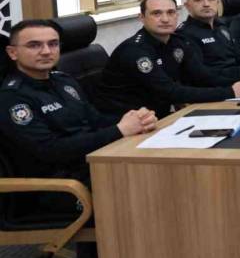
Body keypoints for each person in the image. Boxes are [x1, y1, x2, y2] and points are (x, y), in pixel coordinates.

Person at [0, 20, 158, 200]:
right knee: (149, 187)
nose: (46, 51)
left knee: (160, 170)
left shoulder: (63, 81)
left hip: (92, 164)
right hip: (59, 186)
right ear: (12, 52)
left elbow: (95, 120)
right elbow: (50, 150)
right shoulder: (12, 98)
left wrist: (137, 120)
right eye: (34, 45)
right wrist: (119, 130)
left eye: (53, 44)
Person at [96, 0, 240, 117]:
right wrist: (231, 92)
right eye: (156, 13)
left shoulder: (177, 41)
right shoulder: (135, 51)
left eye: (171, 12)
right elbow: (170, 91)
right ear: (142, 18)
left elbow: (203, 76)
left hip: (158, 116)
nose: (165, 19)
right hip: (124, 122)